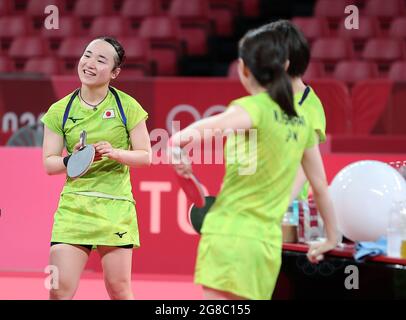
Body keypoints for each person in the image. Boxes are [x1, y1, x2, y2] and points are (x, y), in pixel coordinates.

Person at [169, 26, 339, 300]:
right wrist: (331, 238)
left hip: (229, 236)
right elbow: (319, 185)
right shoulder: (303, 120)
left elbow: (193, 133)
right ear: (285, 65)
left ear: (243, 69)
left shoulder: (251, 108)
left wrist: (178, 145)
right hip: (266, 246)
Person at [41, 37, 151, 300]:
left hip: (115, 208)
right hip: (74, 209)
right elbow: (49, 163)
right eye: (87, 55)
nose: (89, 63)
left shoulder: (127, 107)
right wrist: (72, 160)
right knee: (58, 289)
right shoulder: (60, 111)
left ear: (114, 73)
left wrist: (116, 154)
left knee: (118, 289)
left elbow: (146, 156)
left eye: (101, 60)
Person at [263, 20, 327, 202]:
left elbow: (304, 167)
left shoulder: (309, 107)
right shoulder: (267, 99)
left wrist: (277, 204)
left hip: (287, 211)